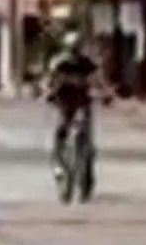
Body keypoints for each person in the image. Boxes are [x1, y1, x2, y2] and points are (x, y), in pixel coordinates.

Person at [44, 31, 106, 177]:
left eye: (77, 48)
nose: (74, 52)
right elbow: (49, 80)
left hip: (82, 100)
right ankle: (58, 159)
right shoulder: (60, 62)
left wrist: (106, 94)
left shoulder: (86, 63)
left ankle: (87, 151)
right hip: (65, 100)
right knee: (62, 127)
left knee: (85, 123)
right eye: (72, 48)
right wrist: (49, 92)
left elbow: (99, 79)